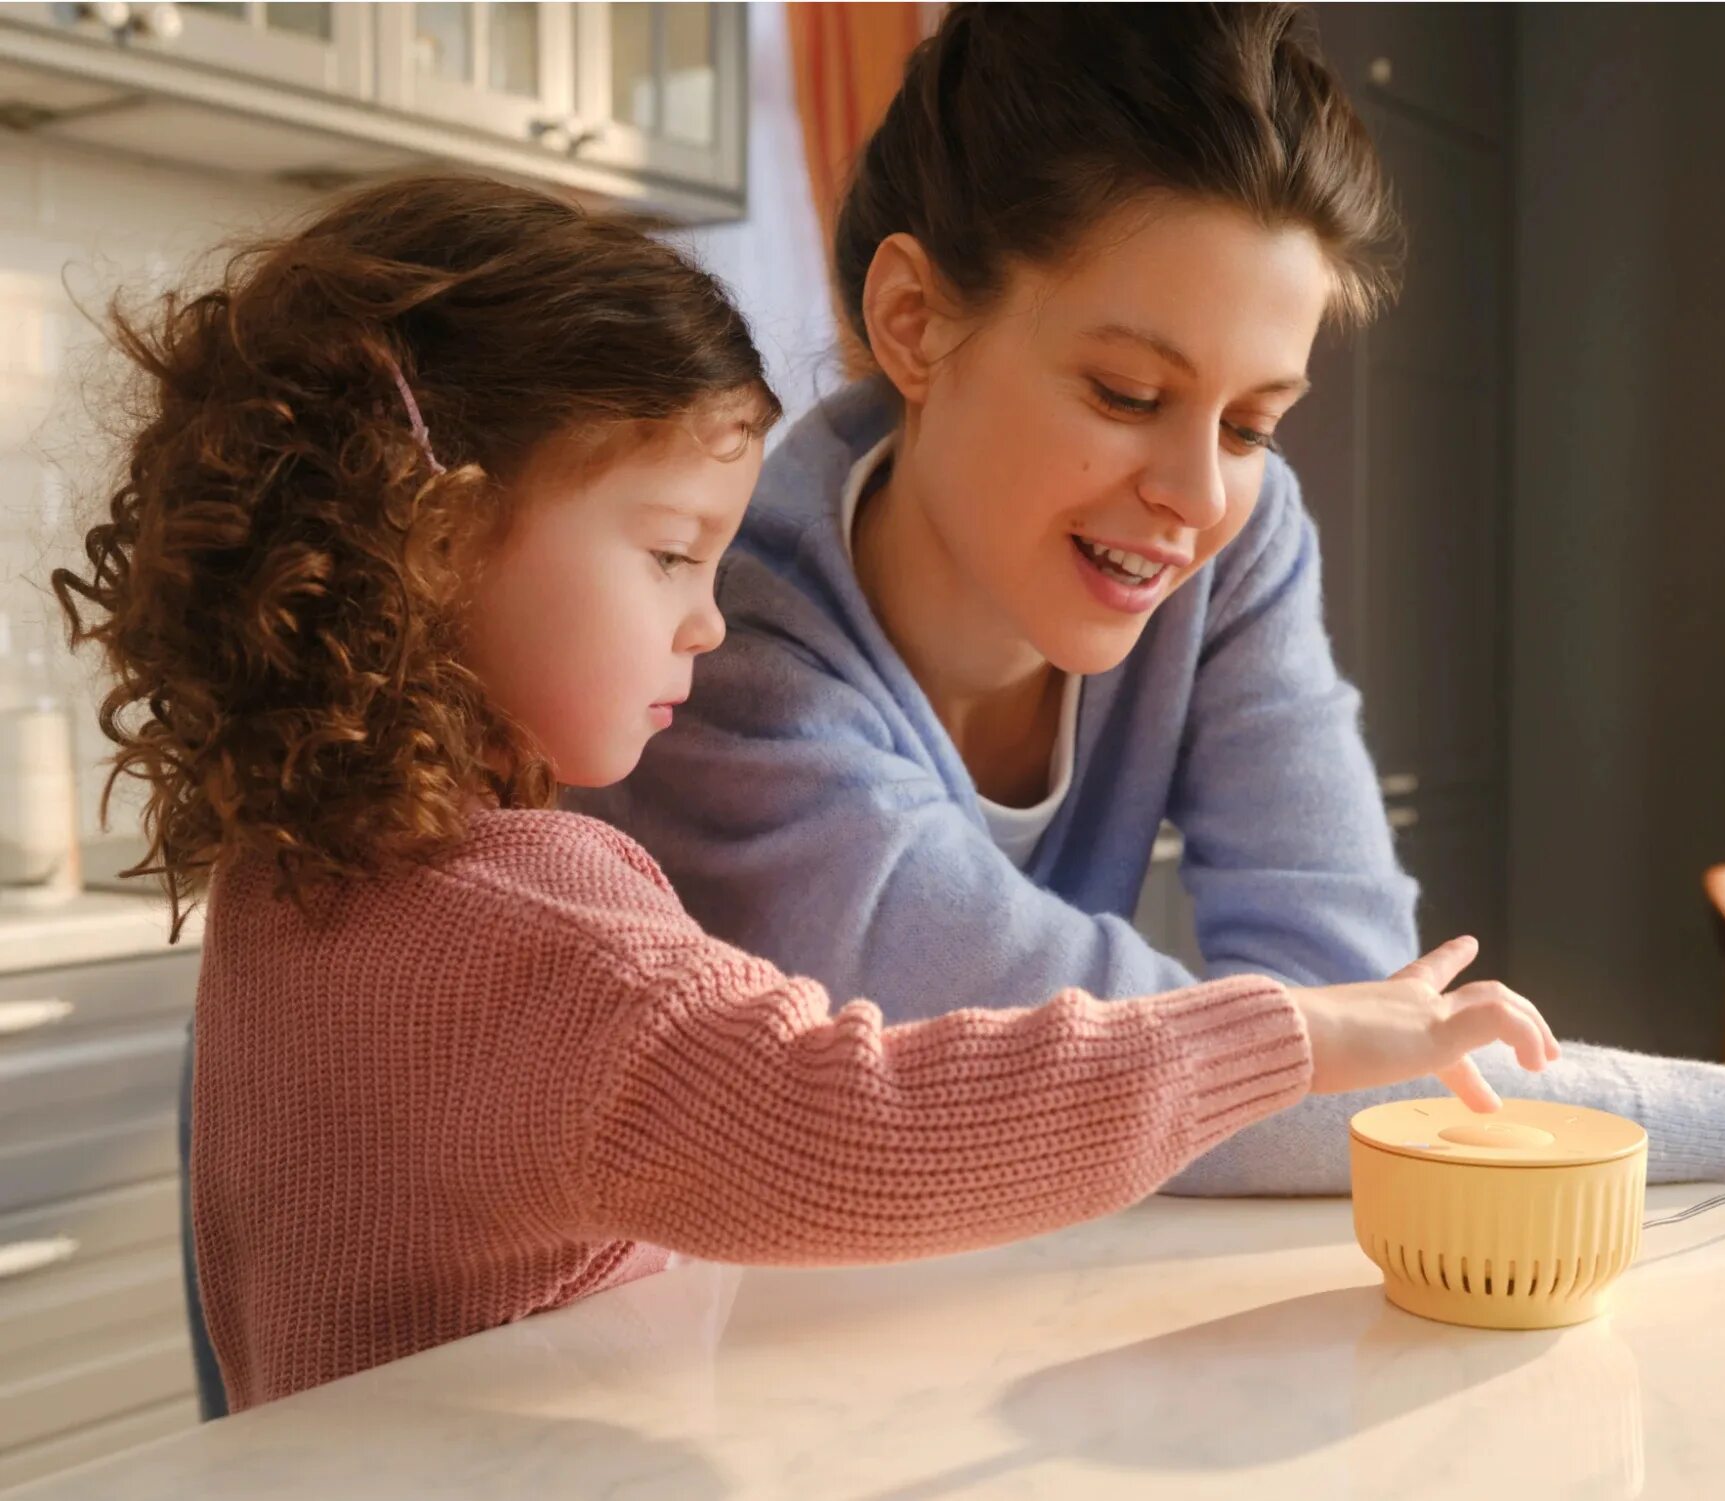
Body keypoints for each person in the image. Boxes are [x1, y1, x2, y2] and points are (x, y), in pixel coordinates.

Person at [54, 173, 1566, 1414]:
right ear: (439, 540)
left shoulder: (287, 879)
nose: (711, 623)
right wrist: (1292, 1032)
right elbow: (858, 1118)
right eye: (665, 554)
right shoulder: (535, 930)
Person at [572, 4, 1725, 1206]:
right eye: (1128, 395)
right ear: (914, 322)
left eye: (1254, 422)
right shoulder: (724, 658)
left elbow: (1352, 1006)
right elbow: (1102, 1071)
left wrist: (1334, 1060)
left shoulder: (1235, 540)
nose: (1197, 494)